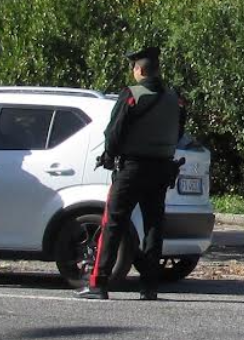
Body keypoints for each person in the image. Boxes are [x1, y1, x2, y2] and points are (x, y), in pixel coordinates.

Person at [76, 46, 185, 301]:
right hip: (161, 168)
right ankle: (149, 287)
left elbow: (114, 132)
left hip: (132, 168)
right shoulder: (174, 97)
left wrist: (109, 155)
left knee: (113, 223)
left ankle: (98, 283)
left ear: (139, 70)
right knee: (154, 227)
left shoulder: (131, 95)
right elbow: (178, 132)